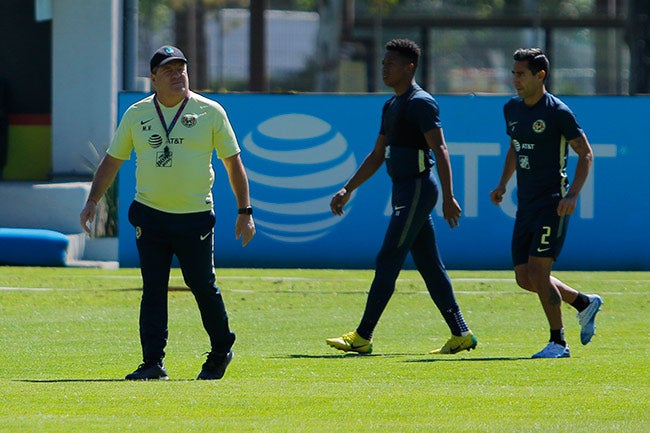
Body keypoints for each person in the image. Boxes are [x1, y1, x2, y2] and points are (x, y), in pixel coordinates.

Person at [80, 45, 255, 379]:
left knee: (202, 285)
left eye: (182, 69)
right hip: (150, 215)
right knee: (153, 288)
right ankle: (152, 363)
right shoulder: (136, 113)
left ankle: (221, 350)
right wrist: (92, 202)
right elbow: (112, 160)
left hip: (194, 216)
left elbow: (233, 163)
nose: (178, 76)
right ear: (154, 78)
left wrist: (244, 210)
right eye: (170, 71)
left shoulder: (210, 111)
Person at [326, 39, 477, 355]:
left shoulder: (421, 103)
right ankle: (461, 333)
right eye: (383, 63)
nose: (384, 68)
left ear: (409, 67)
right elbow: (378, 154)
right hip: (405, 190)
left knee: (388, 257)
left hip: (419, 189)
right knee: (429, 265)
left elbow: (441, 150)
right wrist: (347, 188)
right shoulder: (391, 105)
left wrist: (449, 196)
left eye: (390, 63)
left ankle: (363, 335)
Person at [489, 48, 603, 359]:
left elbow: (586, 154)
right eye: (513, 73)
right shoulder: (512, 109)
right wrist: (503, 183)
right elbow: (515, 147)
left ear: (540, 76)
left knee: (539, 273)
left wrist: (572, 195)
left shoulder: (558, 113)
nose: (515, 80)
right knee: (524, 278)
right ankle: (583, 302)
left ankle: (558, 343)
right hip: (525, 204)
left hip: (552, 203)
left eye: (521, 74)